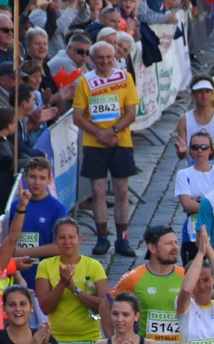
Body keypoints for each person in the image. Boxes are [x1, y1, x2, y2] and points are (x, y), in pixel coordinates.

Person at [72, 40, 140, 258]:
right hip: (94, 143)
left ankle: (123, 238)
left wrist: (112, 132)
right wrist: (99, 134)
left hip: (121, 141)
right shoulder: (85, 81)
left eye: (109, 57)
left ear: (114, 58)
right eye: (100, 57)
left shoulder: (125, 77)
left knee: (121, 191)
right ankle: (102, 237)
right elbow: (77, 117)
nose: (105, 61)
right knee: (98, 191)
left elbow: (131, 113)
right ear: (92, 59)